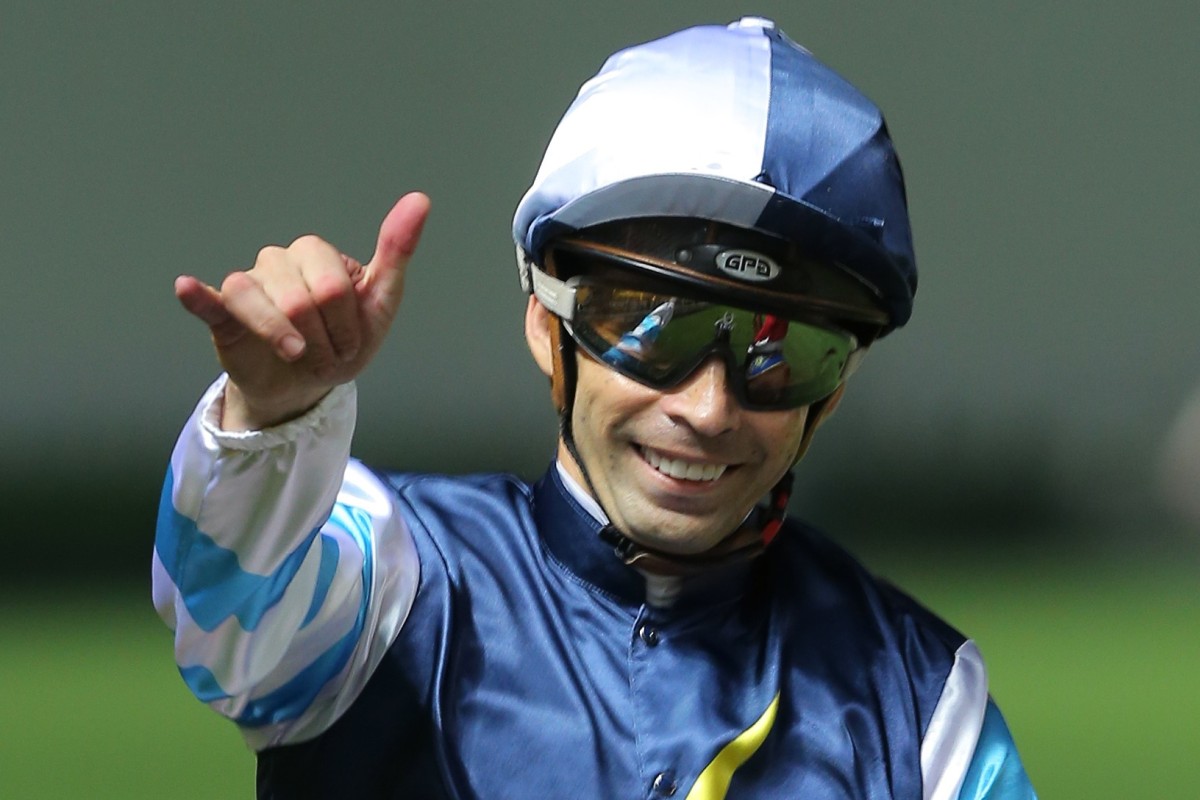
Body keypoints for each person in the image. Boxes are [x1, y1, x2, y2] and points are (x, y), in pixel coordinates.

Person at [154, 17, 1037, 799]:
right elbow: (228, 620)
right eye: (655, 328)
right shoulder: (392, 579)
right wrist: (270, 418)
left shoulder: (927, 709)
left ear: (834, 390)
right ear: (547, 323)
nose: (709, 406)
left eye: (784, 351)